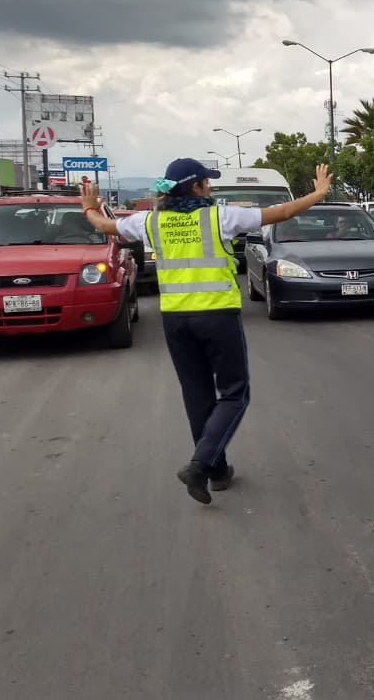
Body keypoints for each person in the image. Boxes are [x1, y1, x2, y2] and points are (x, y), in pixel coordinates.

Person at [81, 159, 333, 504]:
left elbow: (105, 226)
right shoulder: (220, 217)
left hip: (176, 319)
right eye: (206, 182)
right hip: (216, 315)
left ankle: (216, 471)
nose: (210, 187)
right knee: (234, 394)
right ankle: (200, 465)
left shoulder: (149, 221)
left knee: (197, 395)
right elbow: (283, 212)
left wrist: (88, 208)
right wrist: (318, 193)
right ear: (196, 187)